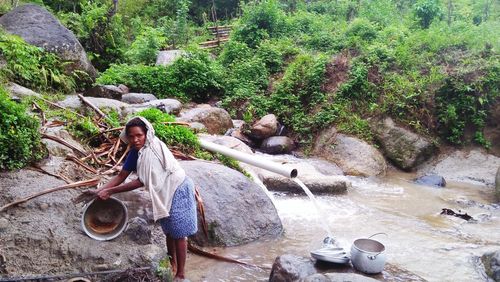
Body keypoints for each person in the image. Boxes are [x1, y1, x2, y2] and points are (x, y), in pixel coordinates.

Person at [94, 116, 197, 281]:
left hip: (178, 188)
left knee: (179, 233)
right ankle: (173, 265)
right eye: (131, 136)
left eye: (139, 135)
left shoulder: (152, 150)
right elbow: (122, 175)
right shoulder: (136, 152)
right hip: (163, 191)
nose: (135, 140)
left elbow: (142, 181)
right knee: (169, 231)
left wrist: (111, 191)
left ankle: (181, 274)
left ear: (146, 134)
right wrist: (100, 190)